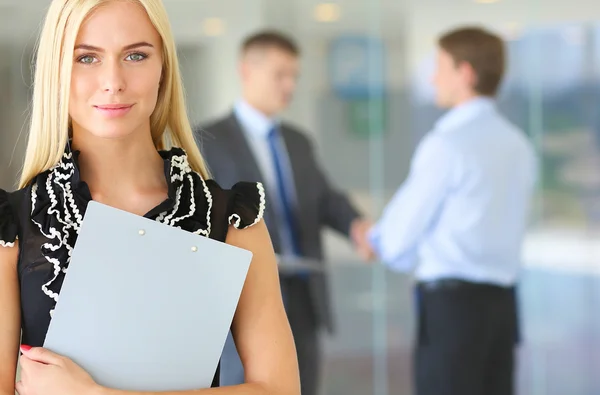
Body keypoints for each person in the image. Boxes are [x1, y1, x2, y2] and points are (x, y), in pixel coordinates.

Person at [0, 1, 300, 395]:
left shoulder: (234, 223)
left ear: (164, 68)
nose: (113, 80)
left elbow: (280, 389)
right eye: (87, 58)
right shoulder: (14, 227)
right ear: (56, 71)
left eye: (136, 55)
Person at [364, 27, 538, 395]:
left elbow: (398, 239)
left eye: (440, 66)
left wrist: (375, 239)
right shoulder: (519, 145)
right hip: (503, 309)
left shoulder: (447, 144)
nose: (432, 77)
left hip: (453, 311)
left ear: (466, 74)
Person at [198, 30, 372, 395]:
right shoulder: (207, 140)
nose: (289, 85)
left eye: (294, 75)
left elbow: (324, 199)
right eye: (280, 75)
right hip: (245, 299)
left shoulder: (298, 140)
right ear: (247, 70)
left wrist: (356, 224)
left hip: (304, 295)